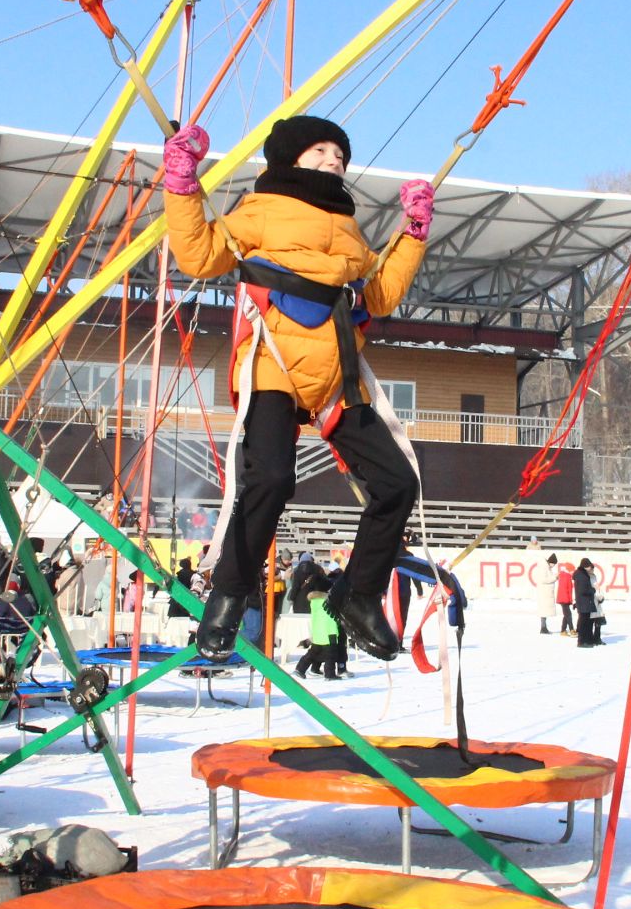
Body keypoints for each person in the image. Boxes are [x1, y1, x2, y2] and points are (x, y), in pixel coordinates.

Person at [164, 114, 434, 663]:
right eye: (321, 151)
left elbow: (377, 295)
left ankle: (357, 595)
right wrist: (183, 186)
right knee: (269, 480)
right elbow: (198, 255)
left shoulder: (352, 231)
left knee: (398, 482)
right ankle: (228, 596)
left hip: (336, 375)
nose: (334, 159)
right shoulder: (259, 211)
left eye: (340, 153)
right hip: (275, 361)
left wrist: (412, 234)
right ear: (290, 160)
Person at [573, 558, 601, 648]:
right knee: (583, 623)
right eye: (589, 566)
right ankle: (582, 641)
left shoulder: (582, 574)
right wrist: (593, 589)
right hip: (584, 602)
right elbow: (583, 590)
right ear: (585, 566)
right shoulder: (581, 575)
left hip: (584, 602)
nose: (590, 567)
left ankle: (587, 640)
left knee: (586, 623)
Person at [533, 553, 559, 635]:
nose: (553, 566)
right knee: (544, 611)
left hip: (545, 593)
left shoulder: (546, 568)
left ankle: (544, 627)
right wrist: (555, 578)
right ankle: (543, 628)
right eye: (553, 564)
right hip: (544, 593)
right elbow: (544, 580)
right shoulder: (544, 568)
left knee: (544, 611)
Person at [556, 557, 576, 637]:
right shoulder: (566, 576)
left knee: (566, 614)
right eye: (572, 570)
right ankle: (571, 629)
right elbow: (567, 589)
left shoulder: (564, 576)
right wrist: (569, 600)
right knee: (568, 614)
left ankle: (563, 630)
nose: (573, 572)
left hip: (563, 598)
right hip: (564, 599)